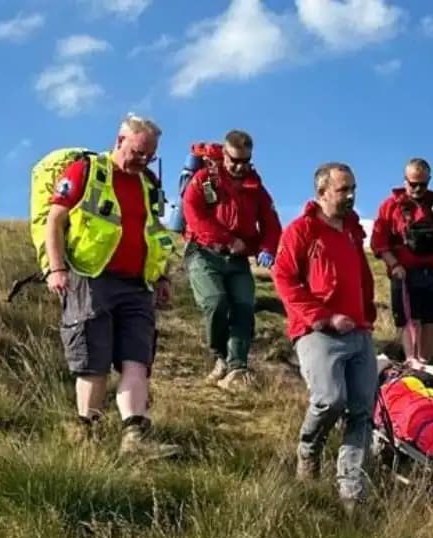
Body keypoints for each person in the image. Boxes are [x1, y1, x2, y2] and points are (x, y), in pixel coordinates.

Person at [42, 113, 180, 459]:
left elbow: (155, 234)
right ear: (120, 141)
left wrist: (162, 276)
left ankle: (135, 438)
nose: (143, 160)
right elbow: (55, 220)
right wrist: (56, 268)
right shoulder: (87, 172)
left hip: (137, 285)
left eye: (150, 155)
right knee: (94, 360)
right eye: (138, 152)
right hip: (91, 277)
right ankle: (84, 433)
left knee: (137, 359)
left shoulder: (148, 184)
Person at [272, 162, 378, 505]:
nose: (350, 196)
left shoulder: (352, 231)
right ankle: (309, 449)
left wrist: (367, 312)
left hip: (359, 332)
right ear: (322, 192)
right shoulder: (301, 230)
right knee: (330, 400)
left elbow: (362, 275)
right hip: (317, 332)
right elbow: (284, 280)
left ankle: (351, 490)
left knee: (362, 409)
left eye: (353, 189)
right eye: (342, 189)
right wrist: (324, 317)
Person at [181, 129, 283, 389]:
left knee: (244, 308)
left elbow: (271, 224)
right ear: (223, 155)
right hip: (203, 253)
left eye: (245, 161)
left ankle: (238, 366)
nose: (239, 167)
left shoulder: (256, 189)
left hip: (238, 261)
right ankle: (220, 356)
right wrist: (228, 240)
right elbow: (194, 216)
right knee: (215, 302)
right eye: (234, 160)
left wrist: (268, 248)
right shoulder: (205, 180)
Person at [370, 157, 433, 365]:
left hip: (432, 273)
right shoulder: (390, 207)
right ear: (405, 180)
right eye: (413, 183)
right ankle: (411, 359)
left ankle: (425, 361)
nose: (417, 188)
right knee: (410, 319)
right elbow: (379, 242)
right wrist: (394, 265)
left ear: (429, 181)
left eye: (422, 184)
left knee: (431, 319)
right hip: (405, 273)